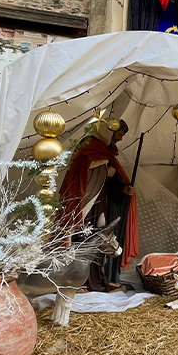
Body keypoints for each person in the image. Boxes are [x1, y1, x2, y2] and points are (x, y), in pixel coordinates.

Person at [57, 119, 137, 293]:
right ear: (109, 131)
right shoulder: (88, 147)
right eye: (120, 134)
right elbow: (82, 175)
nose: (121, 139)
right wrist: (105, 172)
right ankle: (78, 280)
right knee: (83, 239)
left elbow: (105, 183)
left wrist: (122, 189)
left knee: (98, 241)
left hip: (99, 203)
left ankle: (95, 278)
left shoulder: (104, 151)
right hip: (85, 204)